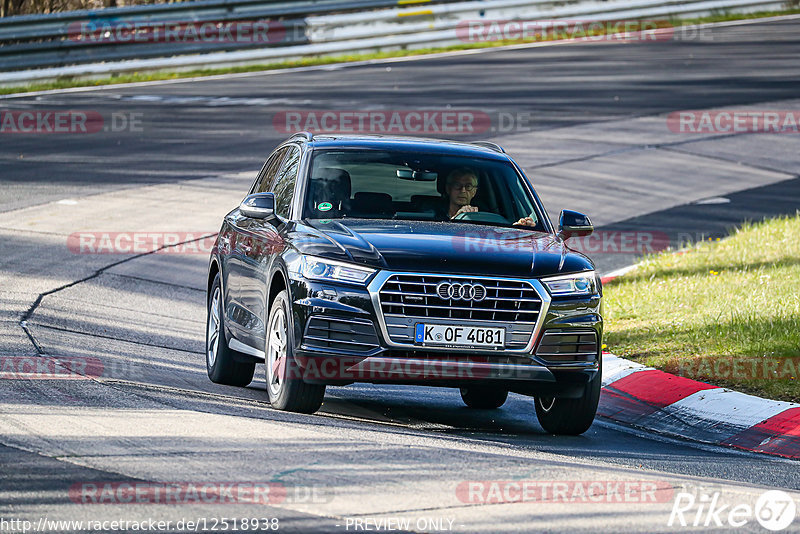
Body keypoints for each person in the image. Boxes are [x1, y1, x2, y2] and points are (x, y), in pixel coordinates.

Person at [442, 167, 537, 227]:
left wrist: (518, 227)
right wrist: (456, 218)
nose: (463, 190)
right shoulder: (432, 213)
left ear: (474, 192)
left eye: (468, 186)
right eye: (457, 185)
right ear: (448, 188)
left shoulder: (487, 217)